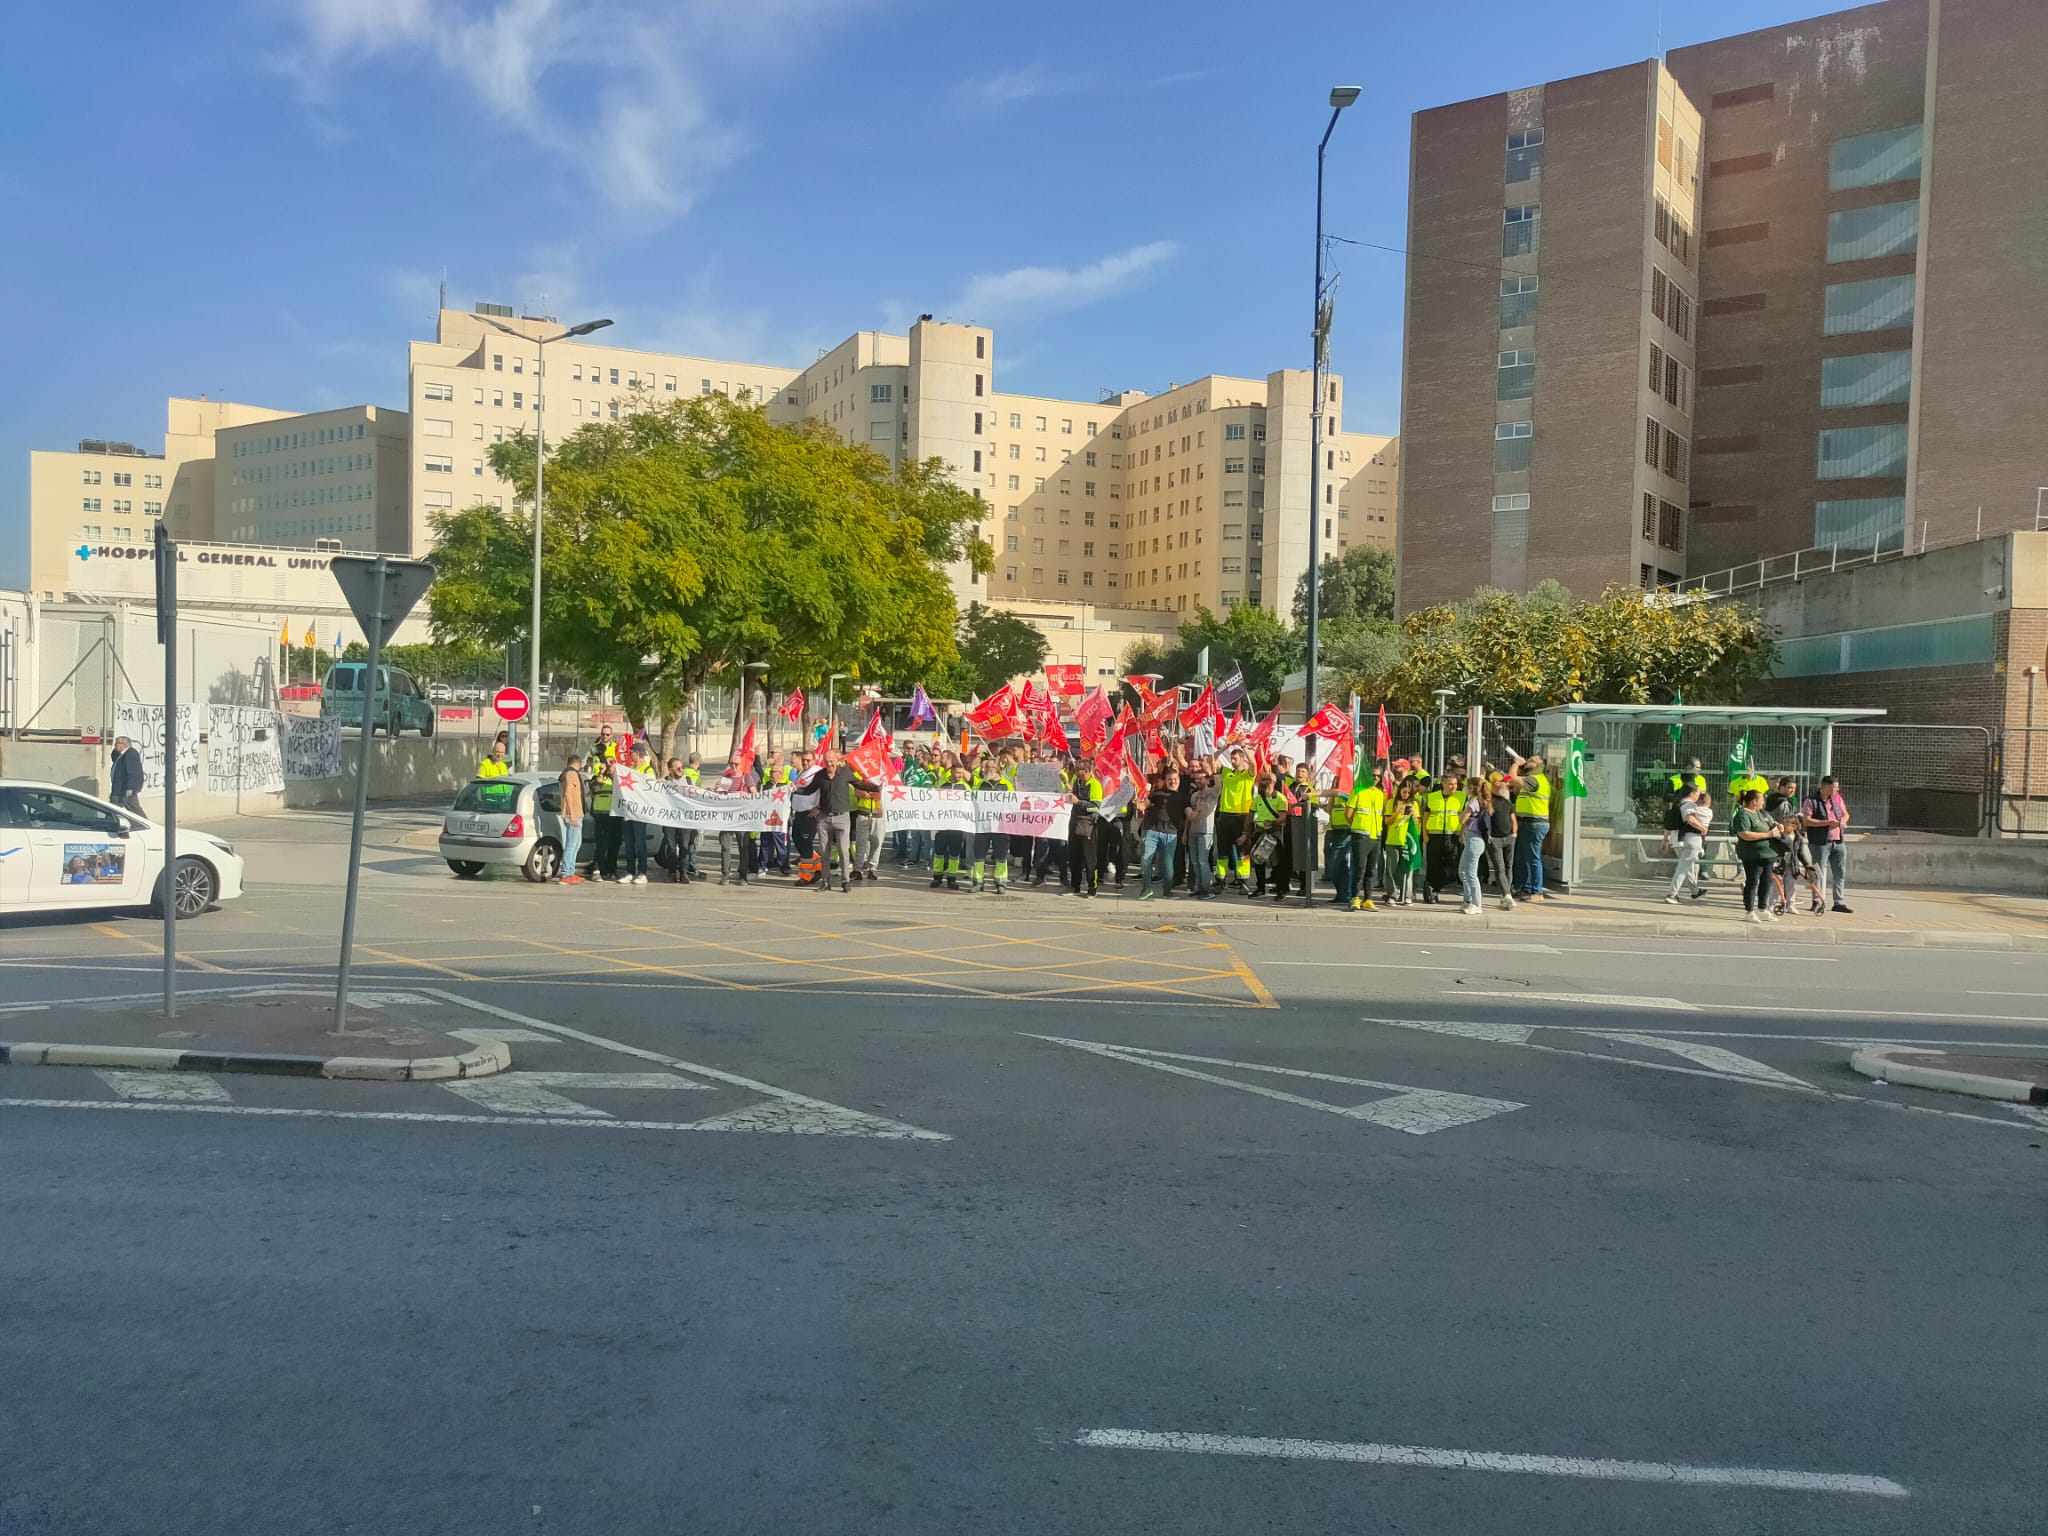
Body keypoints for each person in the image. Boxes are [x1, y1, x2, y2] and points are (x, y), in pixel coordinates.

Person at [815, 745, 878, 894]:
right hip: (824, 818)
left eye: (831, 761)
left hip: (842, 817)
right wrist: (792, 789)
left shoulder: (845, 773)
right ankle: (825, 881)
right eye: (826, 761)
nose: (829, 764)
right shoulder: (820, 775)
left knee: (844, 851)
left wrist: (878, 787)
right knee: (825, 852)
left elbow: (859, 784)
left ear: (837, 761)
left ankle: (845, 881)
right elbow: (809, 790)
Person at [1802, 776, 1853, 913]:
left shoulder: (1837, 799)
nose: (1837, 789)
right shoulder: (1811, 801)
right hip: (1820, 842)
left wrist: (1843, 821)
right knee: (1818, 873)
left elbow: (1846, 814)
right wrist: (1828, 823)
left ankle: (1839, 902)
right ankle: (1817, 901)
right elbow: (1807, 821)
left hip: (1838, 841)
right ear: (1825, 786)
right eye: (1835, 787)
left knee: (1840, 872)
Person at [1507, 751, 1553, 900]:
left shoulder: (1535, 780)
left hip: (1534, 823)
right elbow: (1508, 780)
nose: (1527, 760)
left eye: (1532, 760)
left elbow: (1512, 778)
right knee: (1525, 858)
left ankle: (1537, 891)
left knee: (1533, 858)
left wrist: (1516, 763)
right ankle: (1527, 888)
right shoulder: (1530, 779)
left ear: (1539, 766)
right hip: (1527, 822)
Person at [1138, 765, 1187, 901]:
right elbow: (1143, 805)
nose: (1173, 781)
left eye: (1175, 779)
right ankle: (1146, 888)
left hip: (1170, 834)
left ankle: (1168, 891)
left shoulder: (1183, 798)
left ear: (1179, 780)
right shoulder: (1157, 794)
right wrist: (1137, 802)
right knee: (1146, 859)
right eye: (1170, 779)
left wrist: (1199, 813)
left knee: (1168, 864)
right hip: (1152, 831)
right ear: (1166, 780)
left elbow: (1190, 814)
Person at [1730, 788, 1779, 923]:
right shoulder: (1743, 814)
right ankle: (1749, 911)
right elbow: (1744, 834)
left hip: (1768, 854)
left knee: (1766, 881)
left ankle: (1763, 909)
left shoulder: (1761, 813)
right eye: (1761, 800)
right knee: (1752, 882)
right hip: (1753, 855)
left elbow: (1771, 823)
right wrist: (1767, 835)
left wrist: (1778, 828)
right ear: (1754, 801)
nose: (1763, 802)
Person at [1213, 748, 1256, 893]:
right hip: (1225, 816)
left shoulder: (1248, 775)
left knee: (1243, 852)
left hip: (1242, 816)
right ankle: (1220, 880)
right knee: (1222, 852)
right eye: (1231, 758)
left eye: (1235, 758)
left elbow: (1254, 764)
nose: (1232, 761)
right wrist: (1225, 747)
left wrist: (1244, 747)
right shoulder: (1227, 772)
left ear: (1243, 759)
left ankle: (1244, 882)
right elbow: (1213, 759)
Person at [1342, 770, 1386, 912]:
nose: (1375, 778)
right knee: (1359, 868)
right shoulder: (1358, 790)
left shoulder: (1380, 794)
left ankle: (1368, 899)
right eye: (1373, 775)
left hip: (1376, 836)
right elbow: (1348, 813)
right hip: (1361, 835)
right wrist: (1357, 826)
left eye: (1378, 776)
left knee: (1371, 870)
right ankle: (1355, 897)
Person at [615, 742, 655, 885]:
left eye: (630, 753)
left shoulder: (648, 770)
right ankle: (630, 871)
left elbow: (650, 790)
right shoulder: (630, 769)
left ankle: (642, 872)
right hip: (627, 812)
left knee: (640, 842)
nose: (629, 756)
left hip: (640, 813)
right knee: (629, 843)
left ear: (637, 754)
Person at [1424, 773, 1466, 905]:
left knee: (1453, 866)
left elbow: (1465, 818)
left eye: (1456, 784)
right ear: (1443, 784)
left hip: (1453, 837)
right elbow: (1425, 816)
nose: (1454, 786)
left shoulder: (1462, 797)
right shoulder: (1432, 797)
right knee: (1433, 865)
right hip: (1434, 836)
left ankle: (1433, 885)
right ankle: (1433, 892)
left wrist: (1462, 834)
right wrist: (1424, 834)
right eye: (1451, 784)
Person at [1247, 769, 1290, 898]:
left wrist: (1273, 823)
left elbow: (1282, 817)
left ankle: (1282, 888)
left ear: (1274, 782)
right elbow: (1250, 815)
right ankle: (1260, 888)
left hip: (1274, 832)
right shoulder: (1258, 798)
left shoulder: (1280, 798)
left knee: (1278, 862)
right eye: (1263, 780)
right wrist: (1247, 832)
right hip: (1261, 831)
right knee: (1259, 860)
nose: (1265, 782)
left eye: (1268, 780)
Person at [1665, 787, 1711, 904]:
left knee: (1687, 867)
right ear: (1692, 793)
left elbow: (1668, 825)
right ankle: (1672, 894)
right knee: (1683, 868)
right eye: (1698, 792)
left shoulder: (1677, 804)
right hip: (1691, 840)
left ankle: (1695, 891)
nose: (1699, 795)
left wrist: (1665, 840)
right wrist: (1703, 829)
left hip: (1677, 840)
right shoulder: (1690, 805)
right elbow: (1691, 819)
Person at [1383, 779, 1423, 905]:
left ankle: (1407, 895)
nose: (1406, 794)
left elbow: (1417, 823)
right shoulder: (1392, 802)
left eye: (1408, 792)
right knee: (1391, 869)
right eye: (1404, 792)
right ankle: (1392, 894)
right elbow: (1387, 821)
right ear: (1399, 790)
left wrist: (1414, 814)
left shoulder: (1414, 803)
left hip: (1408, 840)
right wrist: (1397, 813)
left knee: (1408, 868)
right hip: (1393, 840)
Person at [1065, 765, 1103, 897]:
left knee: (1089, 859)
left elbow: (1096, 808)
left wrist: (1078, 802)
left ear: (1086, 771)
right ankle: (1075, 886)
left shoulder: (1095, 785)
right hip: (1074, 823)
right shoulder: (1076, 781)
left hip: (1088, 825)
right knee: (1074, 857)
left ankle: (1092, 887)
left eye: (1078, 770)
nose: (1076, 773)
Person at [1185, 759, 1219, 900]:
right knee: (1194, 861)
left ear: (1207, 779)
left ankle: (1208, 889)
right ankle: (1199, 887)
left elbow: (1219, 784)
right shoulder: (1194, 796)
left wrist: (1213, 770)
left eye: (1201, 778)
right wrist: (1185, 833)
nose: (1198, 781)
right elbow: (1189, 817)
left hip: (1206, 832)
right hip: (1193, 831)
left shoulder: (1212, 793)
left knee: (1203, 861)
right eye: (1196, 779)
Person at [1485, 771, 1517, 910]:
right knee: (1500, 867)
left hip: (1509, 838)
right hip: (1495, 839)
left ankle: (1506, 894)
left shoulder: (1506, 801)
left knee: (1509, 866)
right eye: (1503, 782)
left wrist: (1514, 833)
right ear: (1494, 784)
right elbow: (1485, 819)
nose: (1506, 784)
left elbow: (1513, 818)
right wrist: (1489, 835)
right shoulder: (1488, 801)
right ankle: (1507, 895)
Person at [555, 754, 586, 885]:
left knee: (576, 843)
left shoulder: (567, 774)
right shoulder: (571, 774)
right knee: (572, 844)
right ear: (578, 764)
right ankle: (566, 873)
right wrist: (572, 813)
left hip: (576, 813)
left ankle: (571, 872)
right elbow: (568, 793)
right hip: (574, 814)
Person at [587, 754, 619, 880]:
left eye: (612, 763)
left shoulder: (618, 780)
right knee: (601, 844)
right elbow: (594, 787)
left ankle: (611, 870)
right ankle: (596, 869)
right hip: (601, 814)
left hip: (615, 815)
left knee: (614, 844)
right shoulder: (598, 778)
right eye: (608, 763)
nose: (610, 766)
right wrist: (601, 773)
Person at [108, 736, 145, 815]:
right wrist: (116, 750)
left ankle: (145, 822)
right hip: (118, 789)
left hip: (124, 789)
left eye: (117, 743)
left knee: (135, 811)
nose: (115, 745)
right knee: (113, 810)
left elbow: (133, 772)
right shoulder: (121, 754)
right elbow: (113, 757)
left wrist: (130, 787)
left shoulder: (130, 754)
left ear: (123, 744)